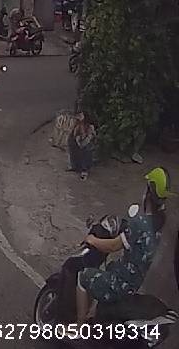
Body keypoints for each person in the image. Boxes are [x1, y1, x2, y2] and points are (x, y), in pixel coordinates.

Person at [76, 167, 172, 323]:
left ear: (148, 192)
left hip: (120, 283)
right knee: (110, 266)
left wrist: (92, 239)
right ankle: (94, 315)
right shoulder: (158, 224)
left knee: (83, 276)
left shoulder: (140, 223)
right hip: (134, 282)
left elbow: (112, 246)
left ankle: (79, 326)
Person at [69, 111, 96, 180]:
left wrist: (81, 125)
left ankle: (84, 169)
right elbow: (73, 134)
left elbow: (86, 138)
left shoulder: (90, 127)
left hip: (87, 143)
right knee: (71, 142)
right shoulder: (77, 125)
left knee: (86, 148)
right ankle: (75, 165)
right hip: (80, 142)